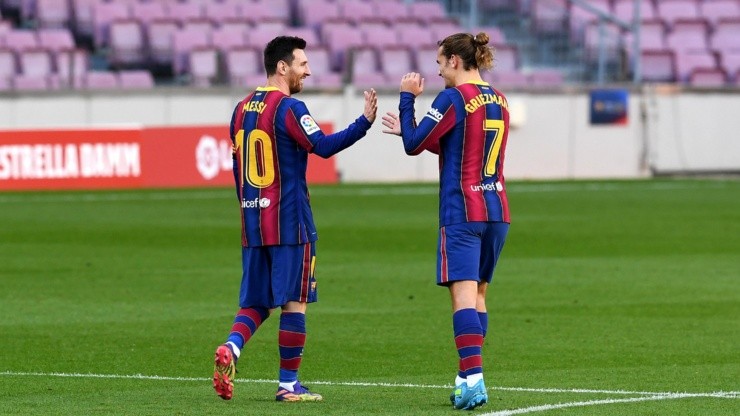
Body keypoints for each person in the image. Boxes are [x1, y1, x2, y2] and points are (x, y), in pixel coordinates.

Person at [213, 35, 378, 403]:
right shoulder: (290, 108)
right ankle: (288, 385)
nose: (308, 70)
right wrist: (363, 122)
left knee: (256, 302)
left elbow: (238, 170)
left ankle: (232, 348)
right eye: (303, 64)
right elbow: (322, 146)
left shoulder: (240, 110)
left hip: (253, 222)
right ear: (282, 67)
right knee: (294, 302)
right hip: (290, 222)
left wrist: (249, 210)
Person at [381, 32, 510, 411]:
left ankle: (474, 380)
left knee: (462, 296)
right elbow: (460, 141)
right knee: (480, 294)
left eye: (439, 64)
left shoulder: (454, 97)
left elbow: (413, 143)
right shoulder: (498, 99)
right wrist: (418, 130)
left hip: (463, 210)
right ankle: (464, 377)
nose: (437, 72)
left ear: (455, 60)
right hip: (497, 210)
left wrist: (407, 99)